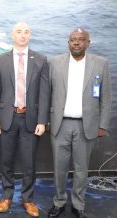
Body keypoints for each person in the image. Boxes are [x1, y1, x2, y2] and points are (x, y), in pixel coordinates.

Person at [47, 28, 111, 218]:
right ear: (68, 43)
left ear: (88, 43)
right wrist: (44, 121)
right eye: (73, 40)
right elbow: (47, 94)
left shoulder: (101, 64)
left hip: (87, 126)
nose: (76, 43)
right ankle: (58, 202)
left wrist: (103, 124)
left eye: (81, 40)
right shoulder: (54, 63)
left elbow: (105, 98)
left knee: (81, 170)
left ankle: (78, 204)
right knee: (59, 168)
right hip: (60, 125)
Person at [0, 21, 49, 217]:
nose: (23, 35)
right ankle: (6, 196)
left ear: (29, 35)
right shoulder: (1, 60)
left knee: (29, 162)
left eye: (26, 32)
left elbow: (44, 93)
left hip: (30, 120)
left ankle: (28, 199)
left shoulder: (40, 60)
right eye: (19, 32)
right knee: (6, 161)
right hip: (7, 118)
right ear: (12, 35)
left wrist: (42, 121)